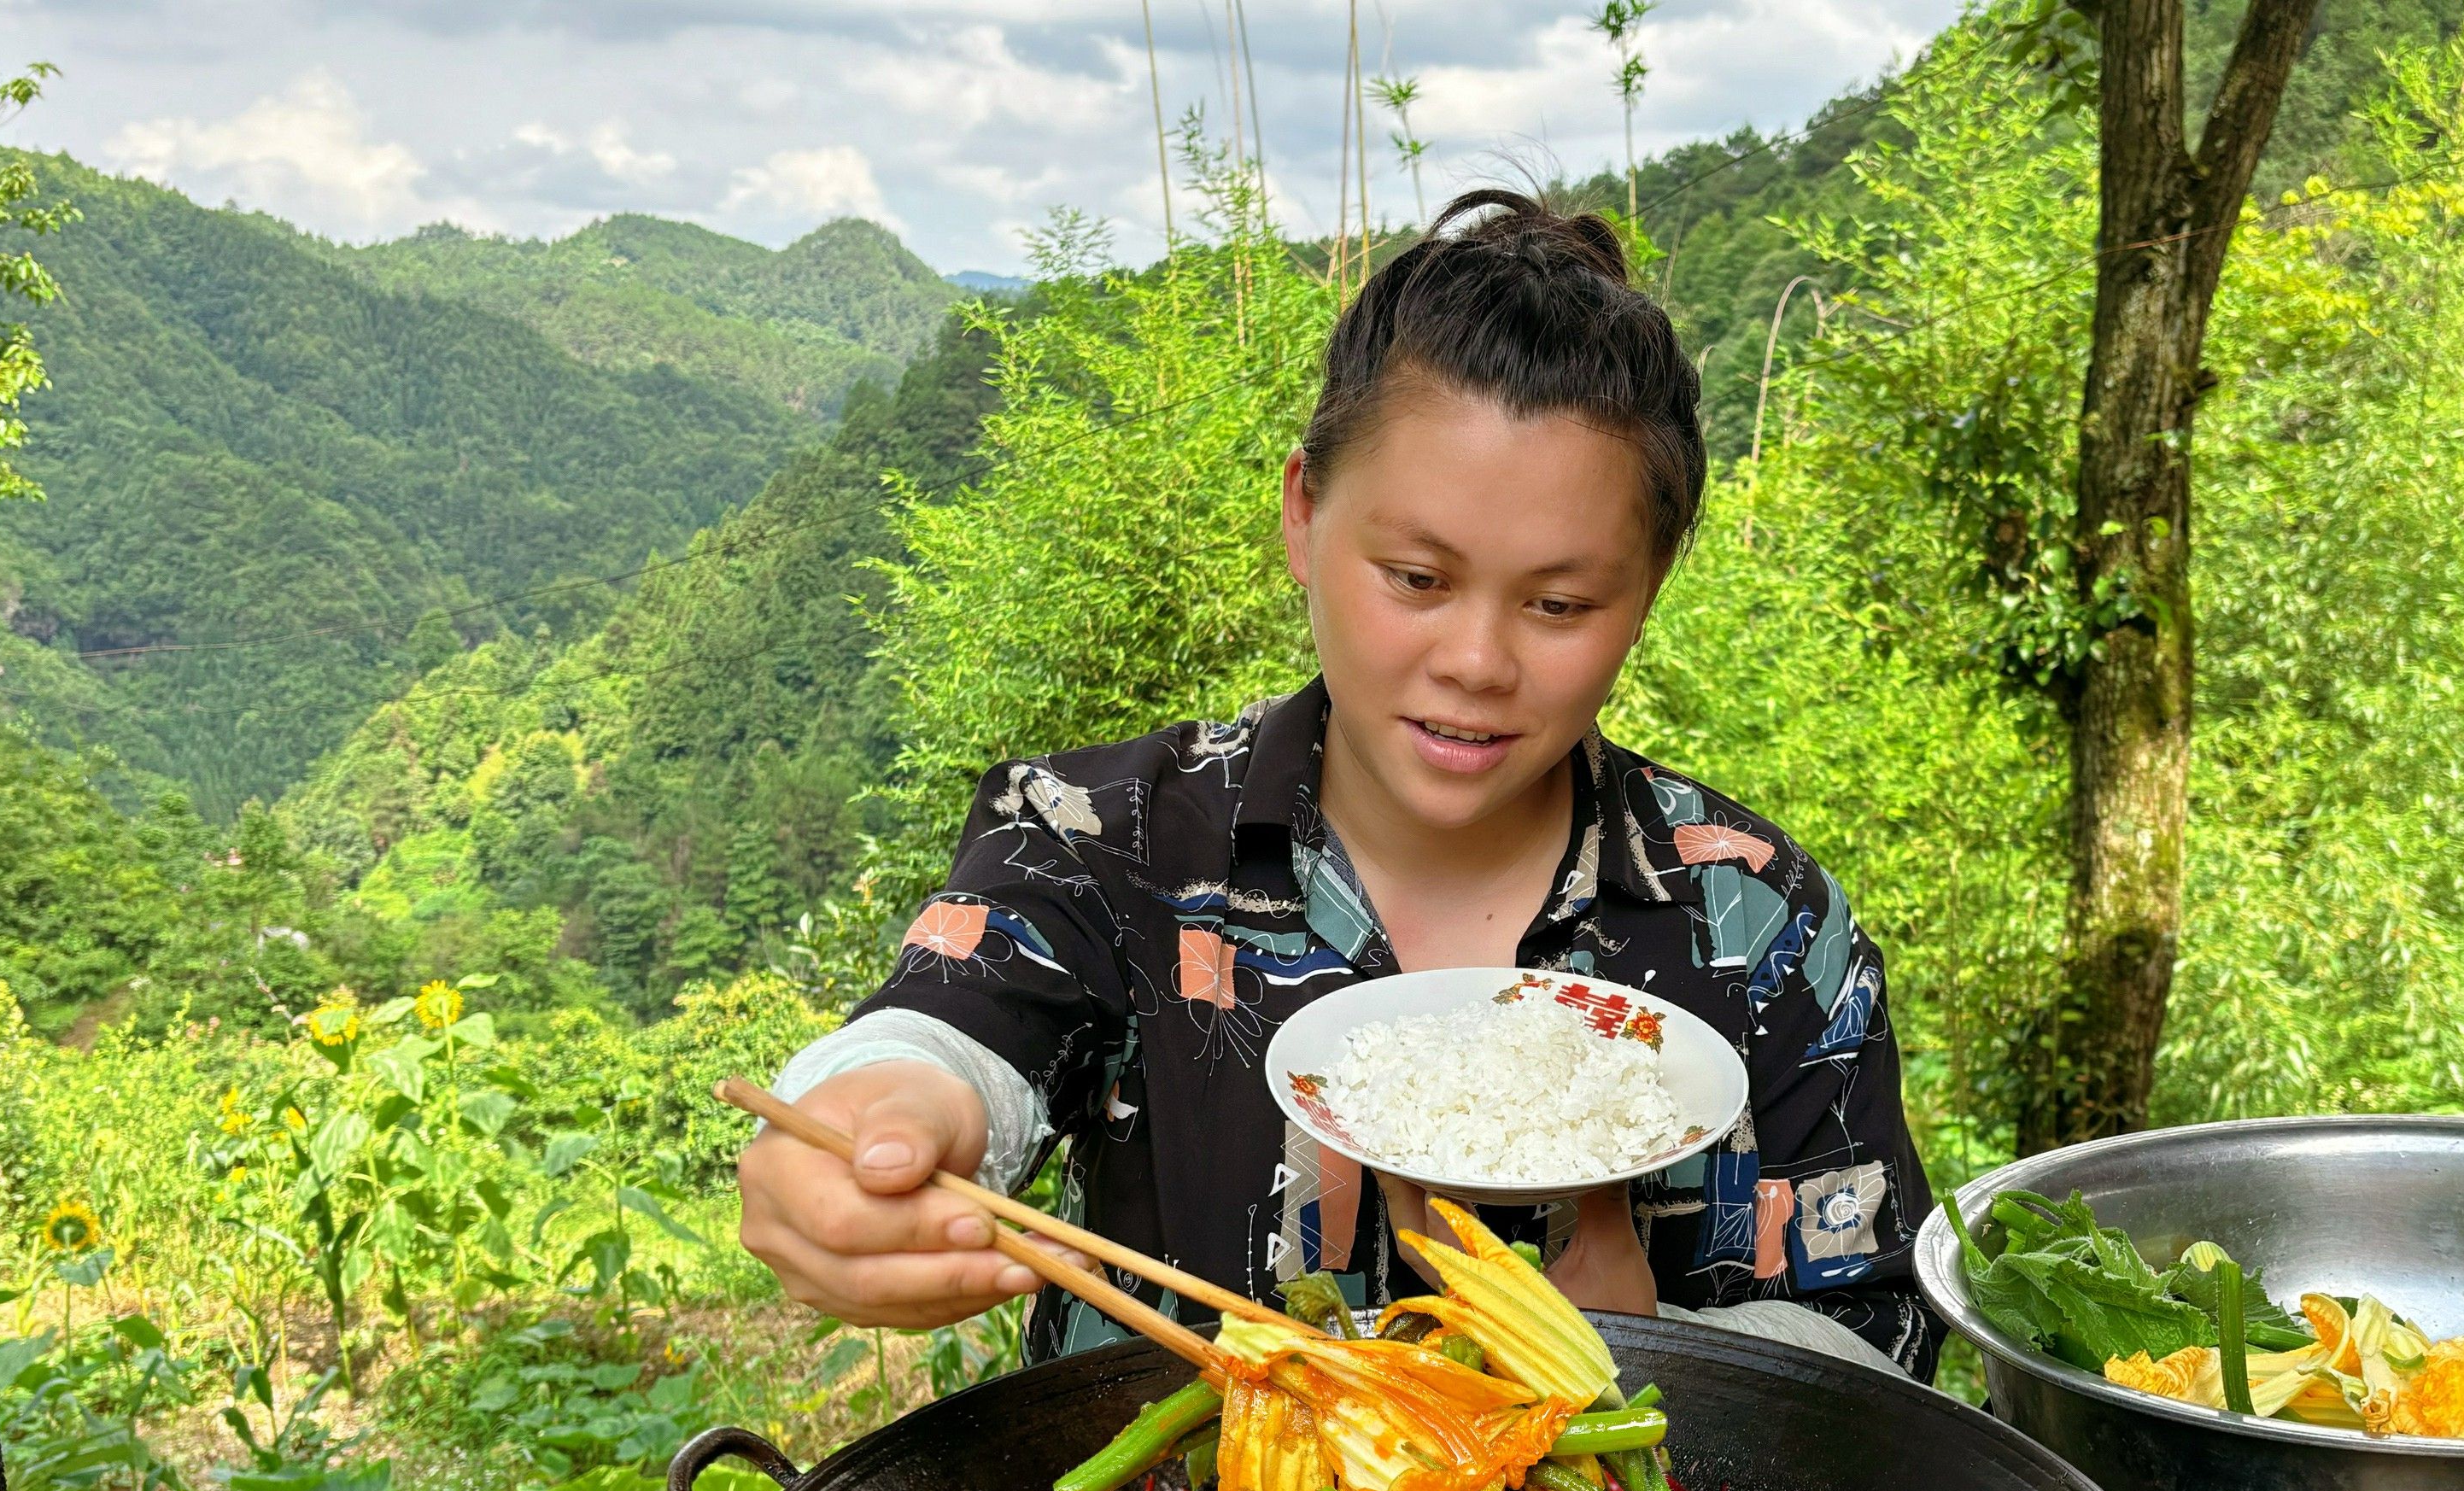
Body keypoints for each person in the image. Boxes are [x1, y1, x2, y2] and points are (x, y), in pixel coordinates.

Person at [737, 189, 1938, 1380]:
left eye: (1559, 605)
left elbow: (1879, 1338)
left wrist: (1642, 1363)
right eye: (1415, 578)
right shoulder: (1101, 839)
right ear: (1304, 514)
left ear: (1653, 581)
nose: (1474, 662)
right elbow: (957, 1027)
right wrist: (876, 1122)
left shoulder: (1756, 918)